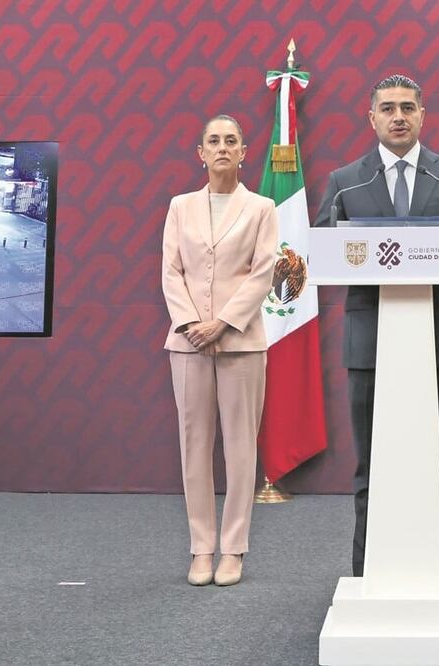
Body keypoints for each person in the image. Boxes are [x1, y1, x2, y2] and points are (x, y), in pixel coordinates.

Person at [313, 74, 439, 578]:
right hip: (370, 343)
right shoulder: (346, 183)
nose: (399, 116)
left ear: (423, 115)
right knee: (373, 460)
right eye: (387, 108)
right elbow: (323, 251)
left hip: (437, 343)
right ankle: (368, 568)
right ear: (372, 118)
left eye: (408, 107)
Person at [161, 114, 278, 586]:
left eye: (232, 141)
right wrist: (193, 324)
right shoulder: (180, 206)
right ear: (201, 152)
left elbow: (263, 271)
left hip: (241, 343)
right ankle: (201, 548)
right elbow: (172, 271)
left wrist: (224, 323)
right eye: (214, 140)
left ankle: (233, 548)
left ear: (244, 152)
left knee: (240, 448)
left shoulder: (262, 207)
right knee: (194, 447)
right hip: (187, 342)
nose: (223, 147)